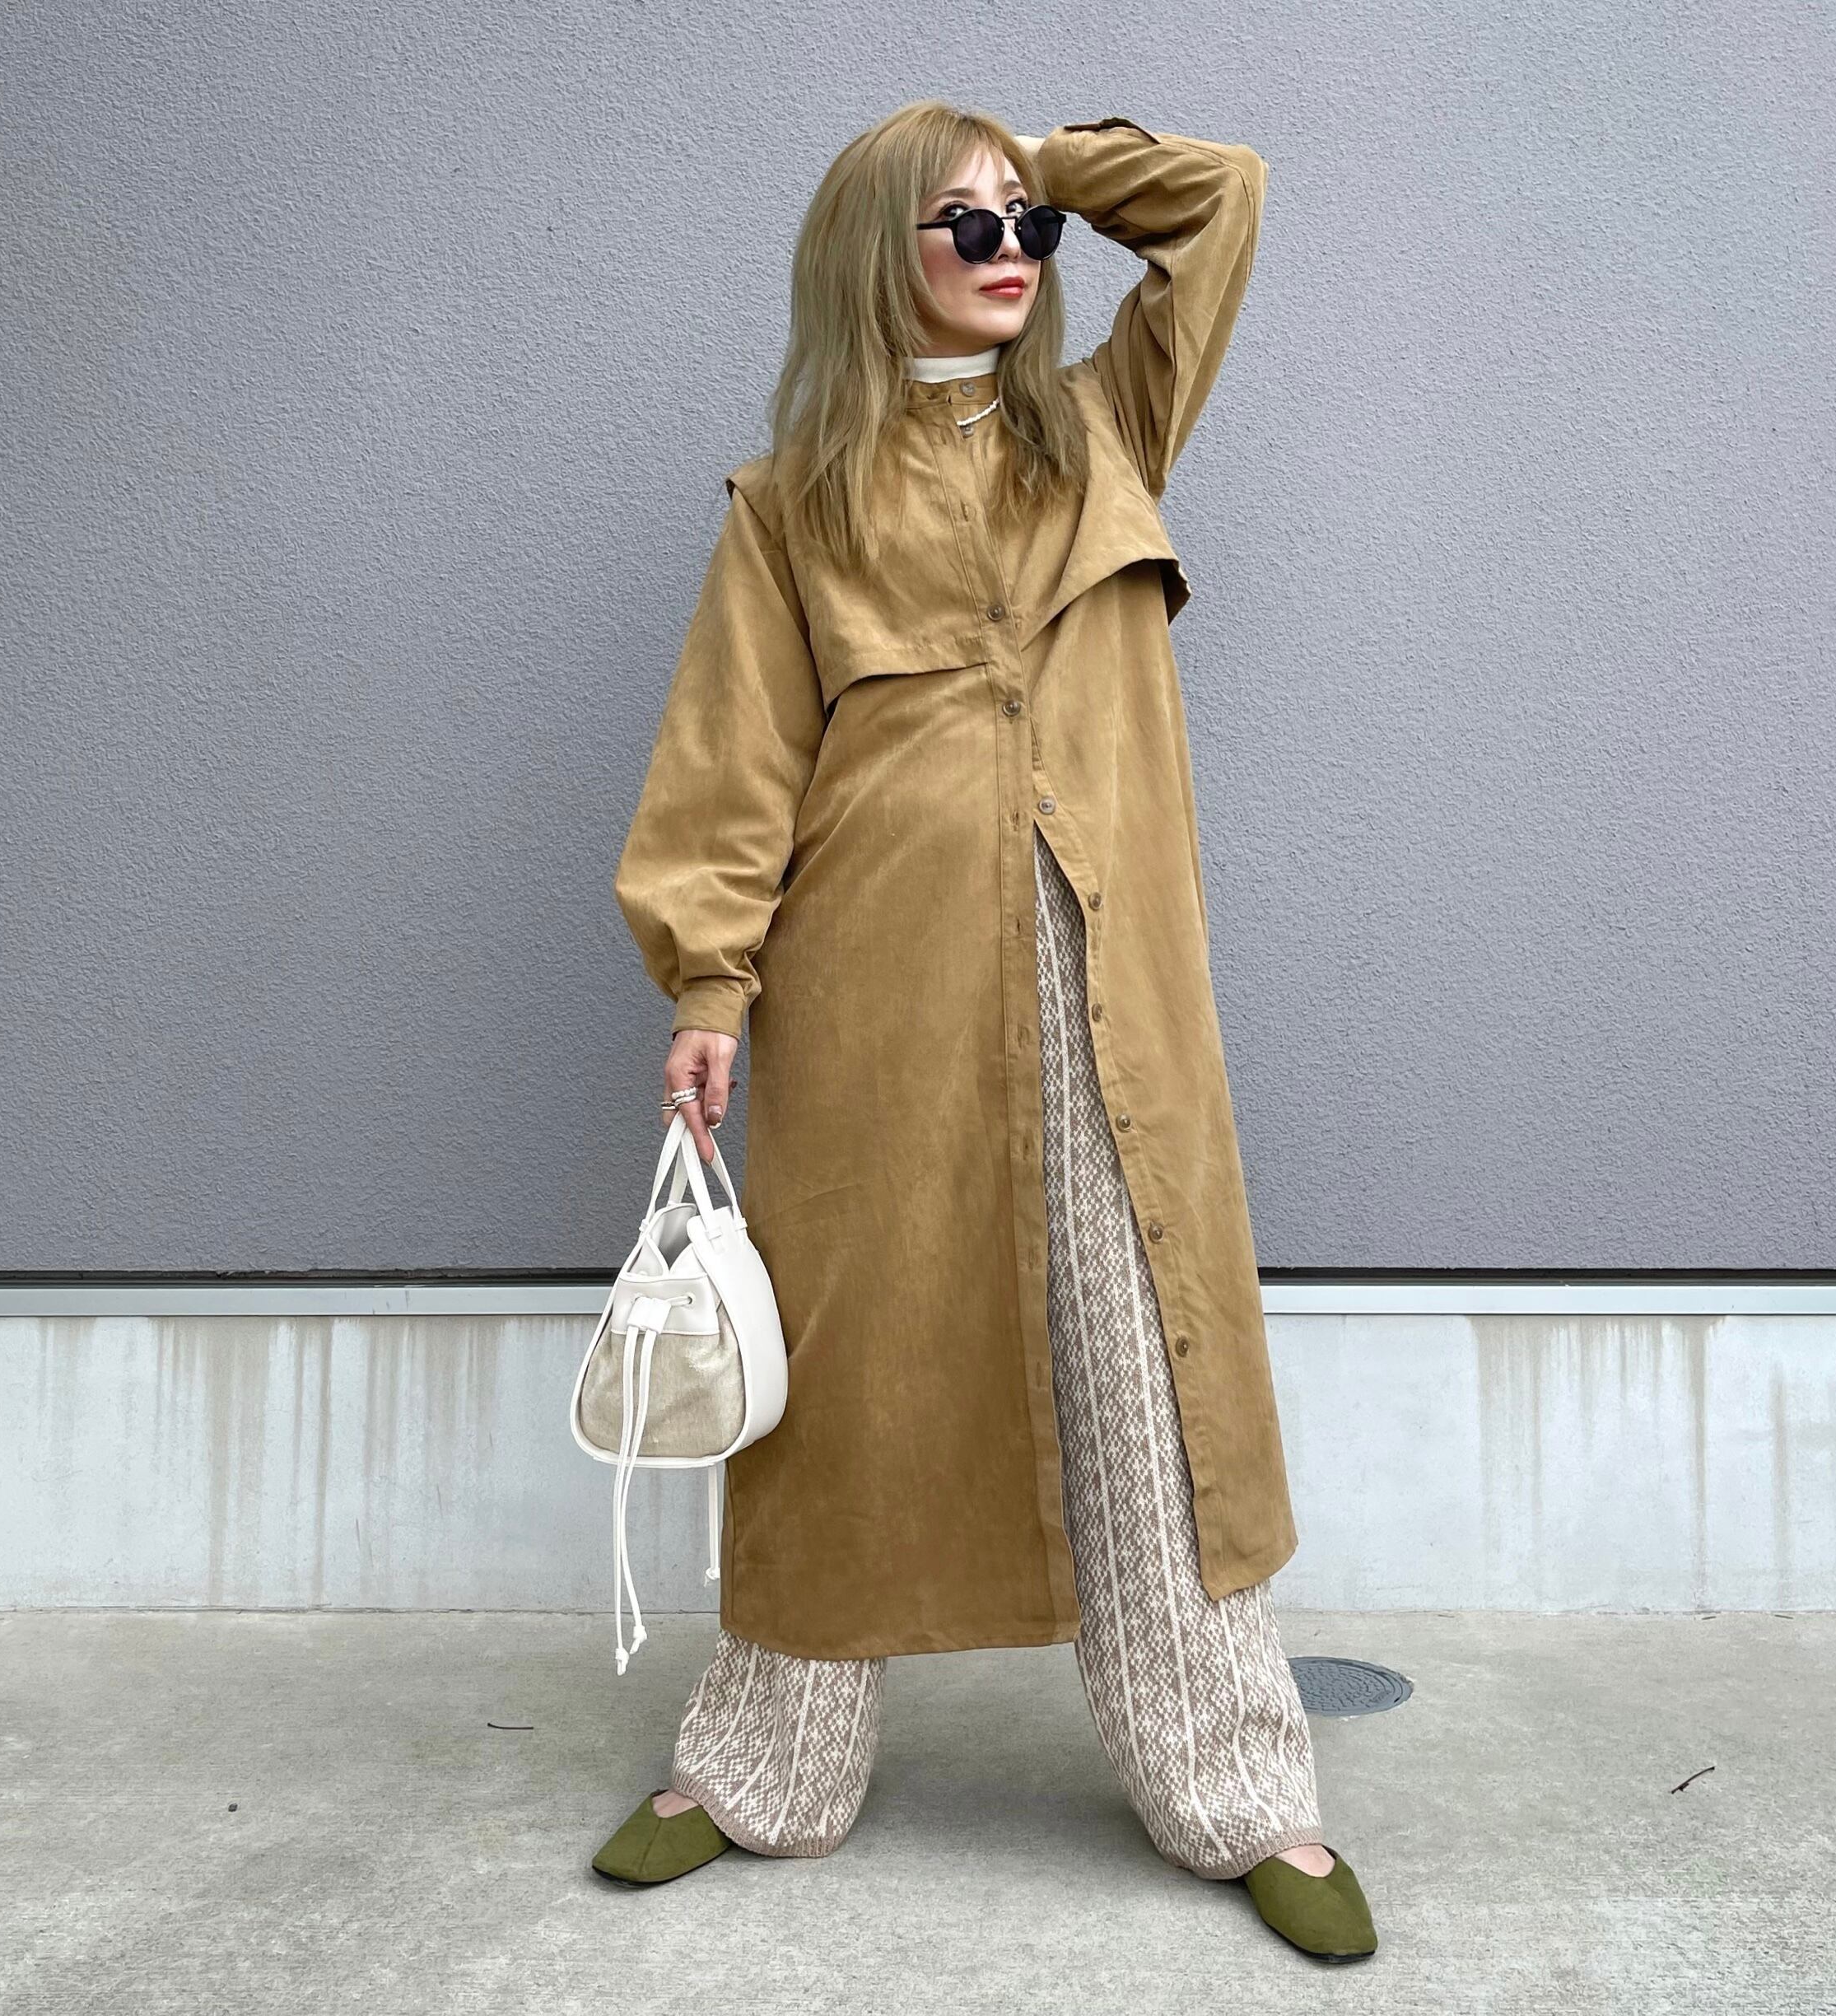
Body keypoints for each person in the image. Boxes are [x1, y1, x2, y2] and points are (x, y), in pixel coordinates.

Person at [594, 101, 1378, 1963]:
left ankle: (1240, 1784)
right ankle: (766, 1764)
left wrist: (1042, 156)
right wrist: (710, 983)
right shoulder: (792, 503)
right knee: (848, 1366)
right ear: (880, 255)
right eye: (964, 223)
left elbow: (1223, 205)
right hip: (879, 987)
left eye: (1028, 225)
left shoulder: (1104, 426)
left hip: (1110, 984)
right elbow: (733, 763)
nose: (1013, 249)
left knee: (1144, 1364)